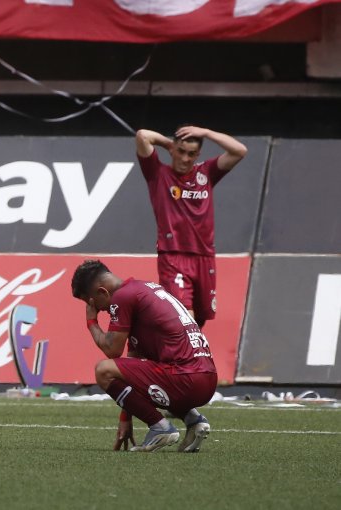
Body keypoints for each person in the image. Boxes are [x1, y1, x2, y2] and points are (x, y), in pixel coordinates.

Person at [71, 259, 216, 453]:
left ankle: (161, 428)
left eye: (94, 304)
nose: (100, 310)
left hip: (185, 379)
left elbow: (112, 351)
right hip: (206, 378)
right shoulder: (144, 290)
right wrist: (126, 418)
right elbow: (131, 366)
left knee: (103, 370)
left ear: (102, 292)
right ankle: (193, 421)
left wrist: (91, 321)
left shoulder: (122, 297)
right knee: (139, 369)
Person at [135, 125, 247, 329]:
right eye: (181, 151)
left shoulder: (206, 173)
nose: (185, 159)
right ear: (173, 150)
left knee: (199, 322)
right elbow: (143, 136)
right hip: (174, 256)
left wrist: (206, 133)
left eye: (191, 154)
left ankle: (182, 357)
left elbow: (239, 151)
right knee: (184, 320)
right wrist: (168, 143)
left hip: (204, 256)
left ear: (198, 154)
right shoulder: (157, 173)